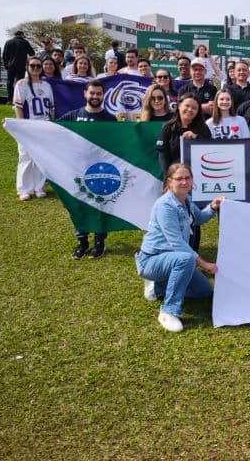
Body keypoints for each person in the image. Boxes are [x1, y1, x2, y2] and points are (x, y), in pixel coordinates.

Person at [135, 163, 223, 332]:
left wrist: (213, 206)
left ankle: (158, 286)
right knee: (186, 258)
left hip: (173, 258)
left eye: (187, 178)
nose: (184, 182)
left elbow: (199, 218)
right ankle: (168, 310)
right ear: (169, 181)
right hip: (152, 259)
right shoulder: (165, 206)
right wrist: (205, 264)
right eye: (179, 179)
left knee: (204, 291)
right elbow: (177, 243)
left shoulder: (186, 199)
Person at [57, 80, 116, 258]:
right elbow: (50, 130)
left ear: (103, 95)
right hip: (77, 170)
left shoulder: (110, 119)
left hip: (101, 170)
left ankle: (99, 243)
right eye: (92, 93)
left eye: (99, 93)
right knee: (77, 206)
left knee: (100, 206)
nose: (95, 97)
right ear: (85, 93)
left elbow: (119, 143)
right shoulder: (73, 116)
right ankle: (82, 242)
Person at [12, 57, 55, 201]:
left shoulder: (46, 85)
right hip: (28, 125)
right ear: (27, 66)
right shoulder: (22, 84)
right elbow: (18, 107)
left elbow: (51, 107)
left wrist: (52, 122)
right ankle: (24, 189)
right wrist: (22, 125)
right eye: (33, 65)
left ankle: (38, 187)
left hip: (44, 125)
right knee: (25, 157)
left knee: (41, 157)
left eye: (38, 66)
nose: (36, 68)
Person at [157, 93, 212, 173]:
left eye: (194, 108)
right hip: (175, 176)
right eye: (187, 106)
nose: (190, 109)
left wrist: (196, 138)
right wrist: (170, 176)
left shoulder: (203, 128)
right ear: (179, 106)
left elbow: (210, 150)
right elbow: (163, 156)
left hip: (200, 175)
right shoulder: (168, 128)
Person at [3, 30, 35, 104]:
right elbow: (32, 53)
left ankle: (9, 99)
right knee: (20, 82)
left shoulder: (8, 42)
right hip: (21, 65)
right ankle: (18, 99)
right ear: (22, 35)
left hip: (10, 65)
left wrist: (6, 65)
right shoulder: (25, 42)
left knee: (9, 82)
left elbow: (4, 55)